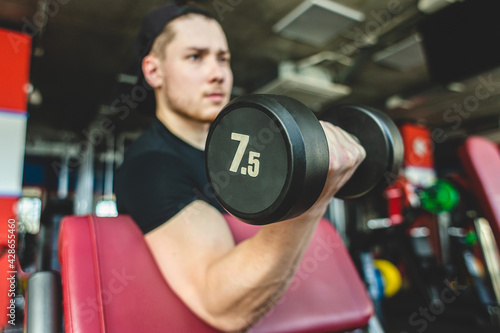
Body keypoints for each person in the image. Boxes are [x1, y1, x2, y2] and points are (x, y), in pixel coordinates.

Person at [115, 1, 366, 331]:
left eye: (223, 59)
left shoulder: (238, 148)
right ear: (154, 71)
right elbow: (224, 307)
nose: (217, 73)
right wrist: (310, 199)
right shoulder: (150, 168)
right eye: (195, 57)